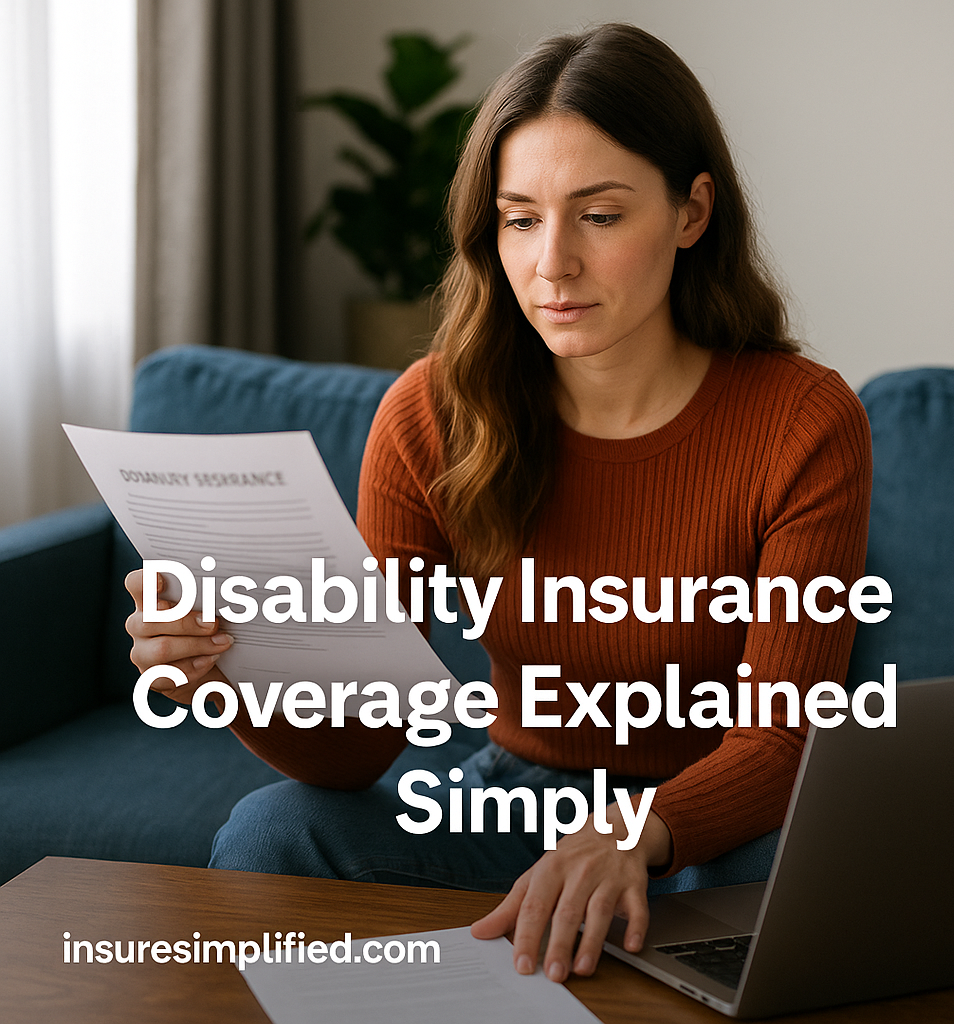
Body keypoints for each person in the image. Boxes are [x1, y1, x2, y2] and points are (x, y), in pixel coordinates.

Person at [125, 23, 871, 985]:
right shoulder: (429, 414)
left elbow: (783, 739)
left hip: (714, 823)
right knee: (274, 832)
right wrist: (225, 674)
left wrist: (637, 832)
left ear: (692, 213)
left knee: (823, 884)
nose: (552, 263)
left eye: (599, 216)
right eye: (521, 218)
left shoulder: (802, 419)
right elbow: (358, 747)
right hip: (512, 806)